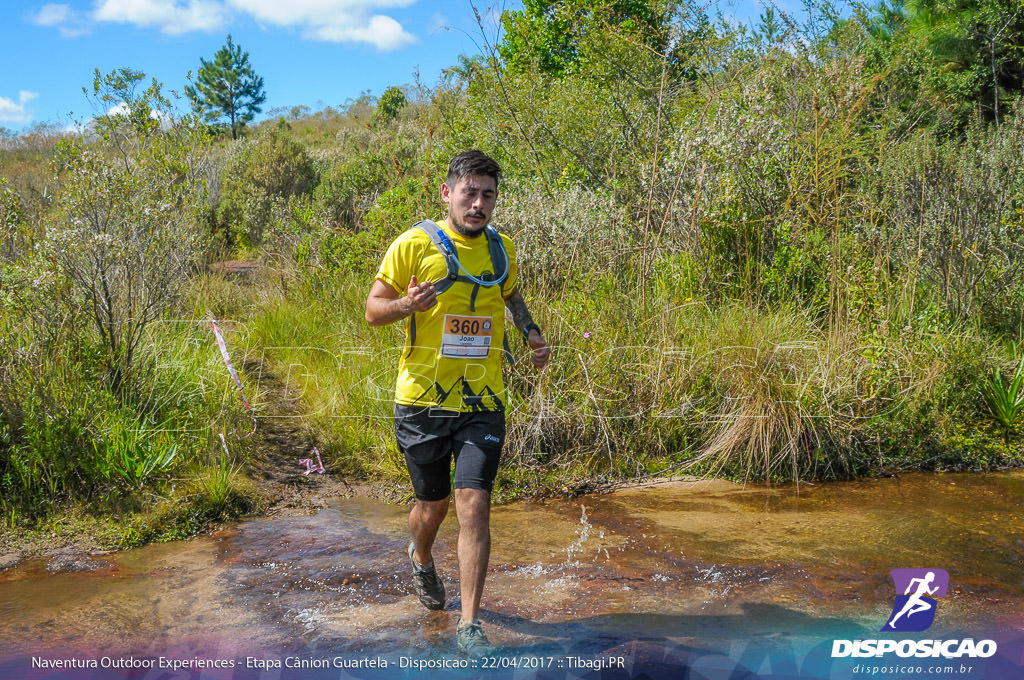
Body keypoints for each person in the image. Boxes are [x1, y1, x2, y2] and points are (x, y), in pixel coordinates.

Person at [365, 150, 551, 657]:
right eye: (469, 192)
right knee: (434, 507)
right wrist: (407, 304)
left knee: (475, 505)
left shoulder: (501, 249)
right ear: (447, 193)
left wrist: (531, 333)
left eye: (488, 194)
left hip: (484, 399)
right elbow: (372, 310)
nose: (478, 203)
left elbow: (510, 295)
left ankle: (470, 626)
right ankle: (421, 556)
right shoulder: (414, 244)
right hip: (422, 400)